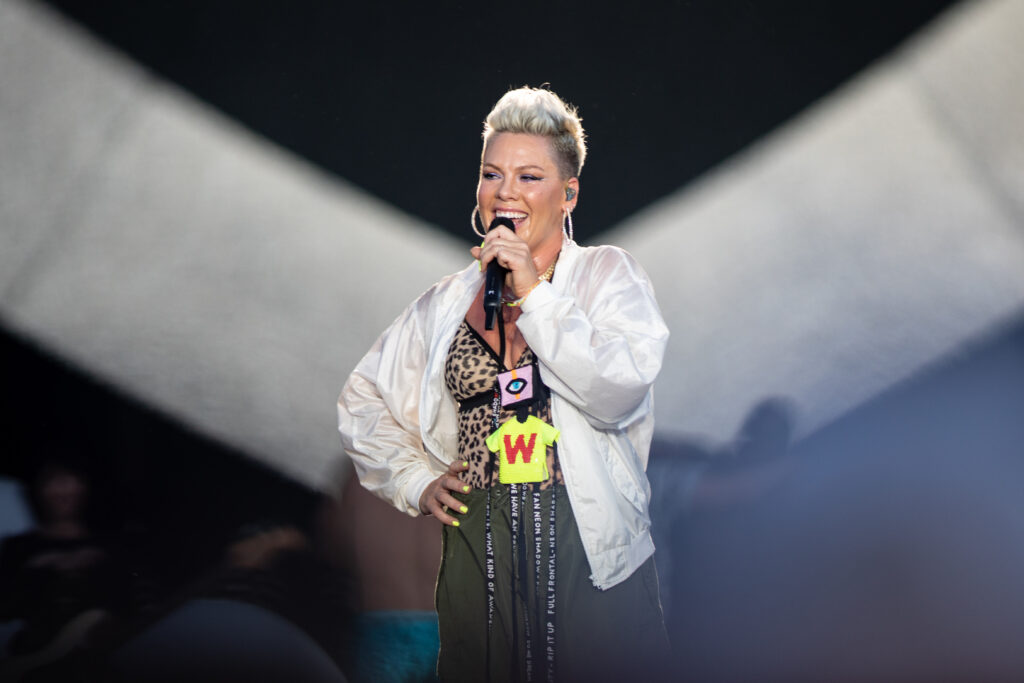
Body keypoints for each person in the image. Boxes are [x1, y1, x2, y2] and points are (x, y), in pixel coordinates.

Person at [338, 85, 670, 682]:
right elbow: (363, 400)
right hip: (480, 539)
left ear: (569, 194)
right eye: (492, 174)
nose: (505, 192)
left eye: (529, 177)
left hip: (583, 544)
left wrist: (532, 293)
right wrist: (415, 480)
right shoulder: (445, 303)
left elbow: (616, 390)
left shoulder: (605, 275)